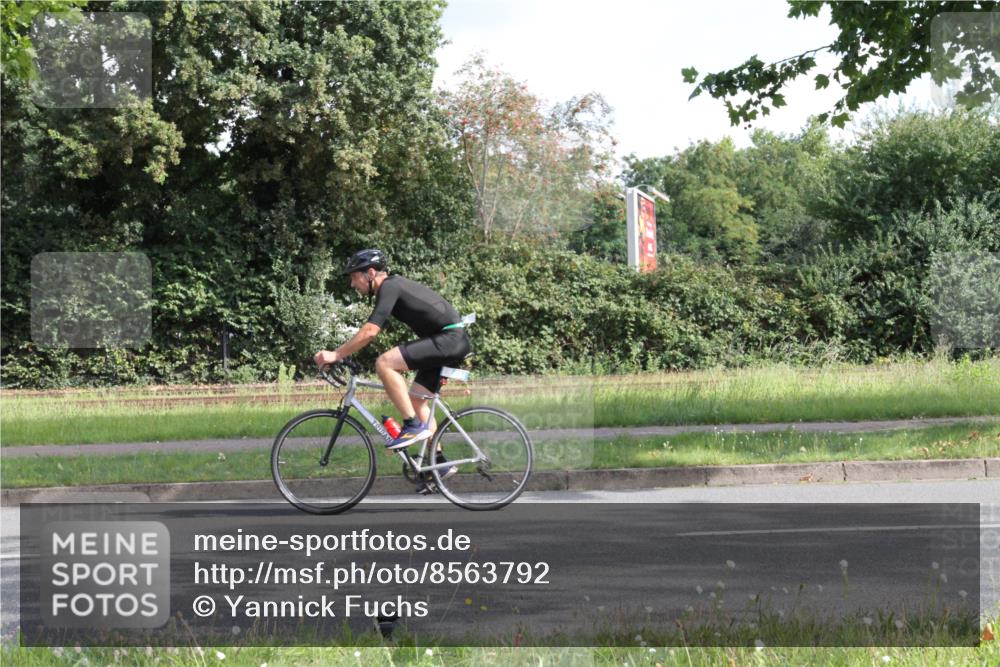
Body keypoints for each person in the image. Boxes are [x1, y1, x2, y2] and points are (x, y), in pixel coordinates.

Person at [313, 249, 472, 458]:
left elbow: (370, 331)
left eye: (354, 277)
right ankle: (438, 464)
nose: (352, 284)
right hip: (448, 340)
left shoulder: (389, 286)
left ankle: (412, 425)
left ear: (370, 273)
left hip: (449, 339)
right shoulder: (392, 287)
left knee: (385, 363)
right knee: (416, 400)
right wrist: (345, 352)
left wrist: (336, 354)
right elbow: (369, 332)